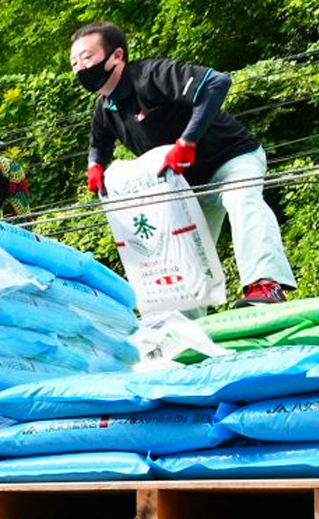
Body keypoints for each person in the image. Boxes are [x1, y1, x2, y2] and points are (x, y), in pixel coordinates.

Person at [70, 21, 296, 307]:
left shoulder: (150, 75)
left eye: (87, 58)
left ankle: (265, 285)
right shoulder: (104, 108)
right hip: (186, 186)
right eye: (74, 63)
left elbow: (217, 82)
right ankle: (182, 321)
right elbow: (99, 144)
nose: (80, 68)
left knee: (243, 201)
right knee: (182, 250)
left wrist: (187, 142)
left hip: (230, 159)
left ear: (117, 56)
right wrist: (95, 166)